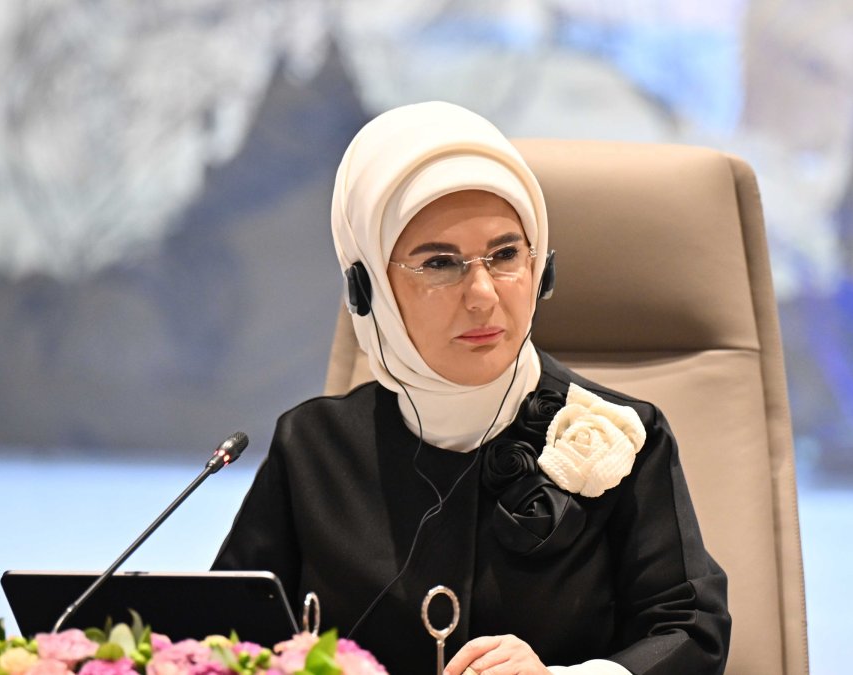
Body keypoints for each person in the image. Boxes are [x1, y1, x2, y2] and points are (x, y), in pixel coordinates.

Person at [214, 101, 730, 674]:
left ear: (543, 268)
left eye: (506, 254)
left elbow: (691, 631)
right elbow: (222, 637)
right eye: (440, 264)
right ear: (368, 290)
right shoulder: (312, 446)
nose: (483, 293)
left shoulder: (625, 439)